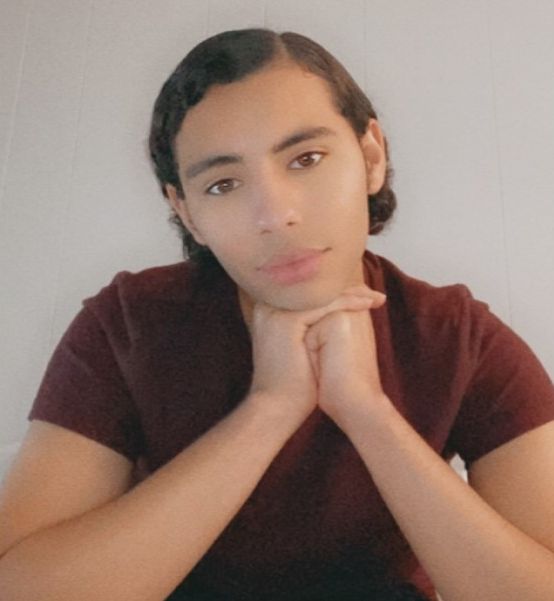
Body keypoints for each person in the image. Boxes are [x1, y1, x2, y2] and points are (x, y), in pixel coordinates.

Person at [0, 27, 553, 601]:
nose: (275, 214)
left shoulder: (458, 337)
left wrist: (368, 412)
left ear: (370, 156)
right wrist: (268, 409)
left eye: (306, 159)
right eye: (223, 185)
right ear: (185, 211)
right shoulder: (128, 326)